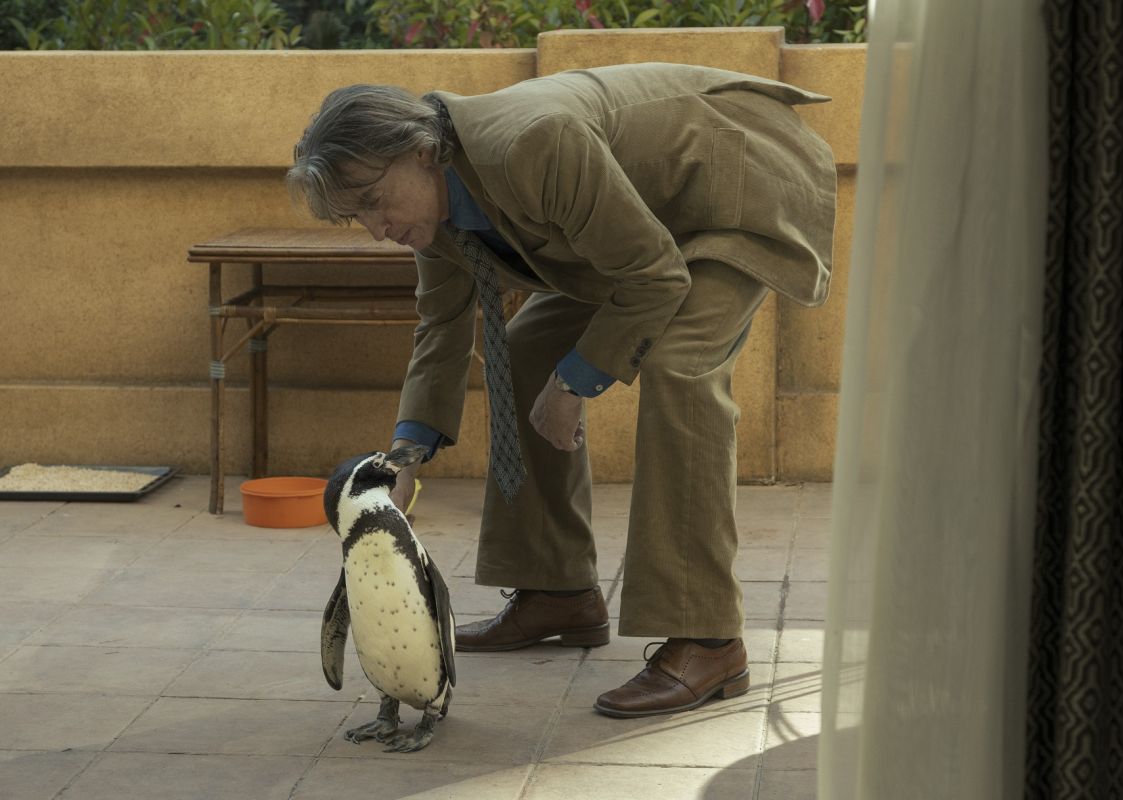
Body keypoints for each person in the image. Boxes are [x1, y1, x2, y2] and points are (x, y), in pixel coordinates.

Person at [287, 62, 836, 718]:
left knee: (678, 366)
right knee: (520, 353)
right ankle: (559, 592)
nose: (377, 227)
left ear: (421, 150)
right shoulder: (435, 204)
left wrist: (574, 383)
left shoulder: (529, 144)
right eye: (357, 218)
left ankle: (708, 639)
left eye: (373, 201)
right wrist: (404, 457)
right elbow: (442, 326)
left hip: (733, 189)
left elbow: (655, 277)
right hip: (640, 234)